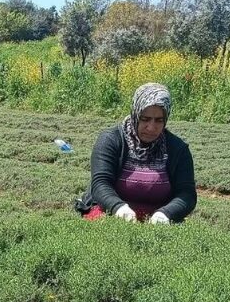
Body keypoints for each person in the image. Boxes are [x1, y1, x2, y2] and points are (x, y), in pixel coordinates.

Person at [75, 83, 196, 224]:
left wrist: (166, 214)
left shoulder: (177, 149)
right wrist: (119, 208)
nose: (151, 127)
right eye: (145, 119)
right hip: (110, 213)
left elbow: (187, 194)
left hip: (158, 221)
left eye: (159, 120)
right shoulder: (111, 140)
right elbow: (100, 184)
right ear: (135, 114)